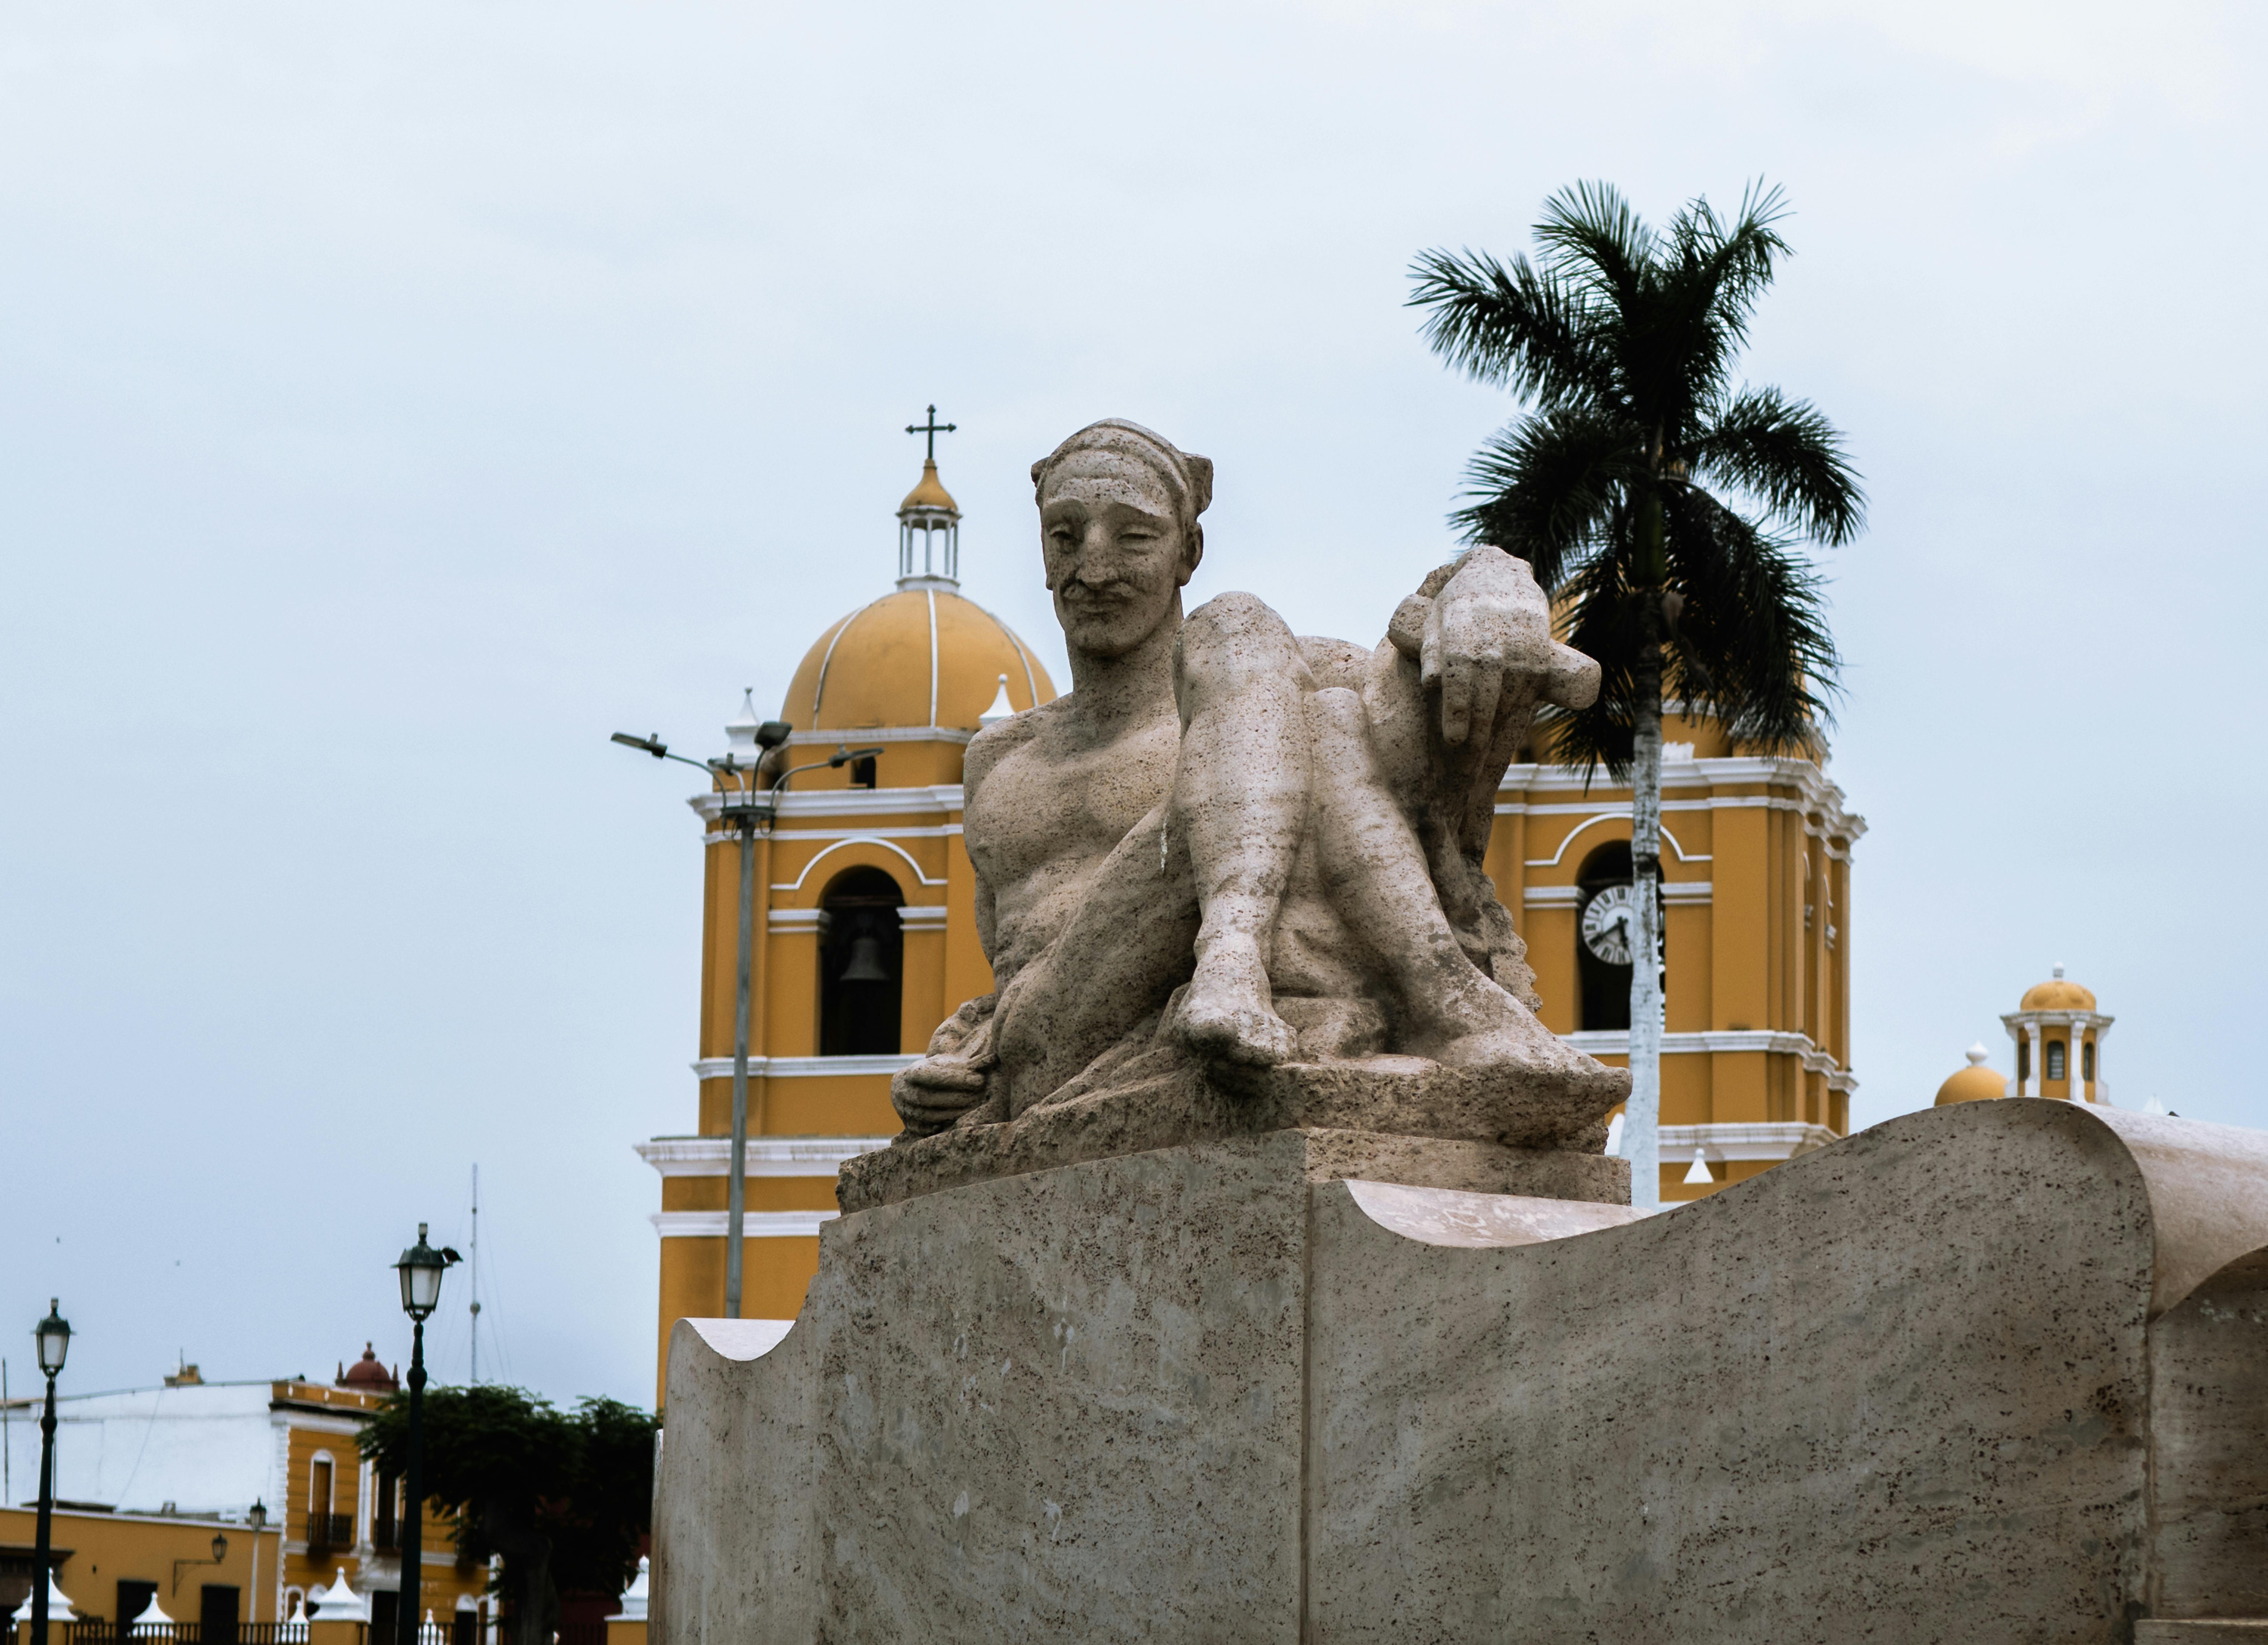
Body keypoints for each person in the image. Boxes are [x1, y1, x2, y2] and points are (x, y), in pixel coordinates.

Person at [892, 419, 1617, 1137]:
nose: (1094, 566)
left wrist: (1492, 578)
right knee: (1254, 644)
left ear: (1188, 551)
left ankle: (1409, 991)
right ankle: (1268, 964)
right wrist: (938, 1070)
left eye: (1134, 536)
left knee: (1325, 712)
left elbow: (1433, 747)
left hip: (1219, 1008)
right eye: (1064, 535)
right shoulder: (1000, 757)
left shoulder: (1291, 675)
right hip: (1050, 1034)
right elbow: (1006, 977)